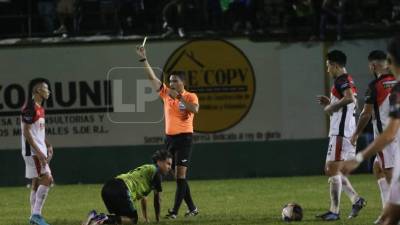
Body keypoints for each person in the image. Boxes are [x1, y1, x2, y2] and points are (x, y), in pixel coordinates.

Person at [136, 44, 200, 219]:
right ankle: (193, 208)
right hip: (169, 139)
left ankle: (174, 212)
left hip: (185, 139)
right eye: (170, 81)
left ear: (183, 83)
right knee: (177, 177)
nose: (171, 83)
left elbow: (195, 110)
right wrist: (143, 59)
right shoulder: (165, 94)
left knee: (180, 176)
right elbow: (151, 78)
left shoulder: (190, 96)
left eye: (175, 81)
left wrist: (179, 97)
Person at [342, 36, 400, 225]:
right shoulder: (396, 84)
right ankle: (385, 213)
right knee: (378, 168)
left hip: (389, 140)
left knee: (390, 177)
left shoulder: (374, 87)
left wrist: (356, 137)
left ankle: (390, 215)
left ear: (373, 66)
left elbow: (366, 115)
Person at [316, 50, 366, 221]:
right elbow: (354, 105)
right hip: (347, 132)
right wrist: (331, 102)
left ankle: (335, 211)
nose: (327, 70)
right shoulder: (348, 80)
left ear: (335, 65)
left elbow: (350, 99)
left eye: (328, 66)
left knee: (331, 169)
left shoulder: (342, 80)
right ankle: (356, 200)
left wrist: (332, 107)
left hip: (341, 133)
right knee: (335, 171)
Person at [84, 150, 172, 225]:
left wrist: (145, 218)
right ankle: (101, 218)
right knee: (133, 219)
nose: (170, 167)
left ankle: (94, 216)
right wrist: (157, 220)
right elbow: (158, 200)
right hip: (121, 188)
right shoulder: (156, 173)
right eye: (168, 163)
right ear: (159, 162)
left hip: (108, 187)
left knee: (122, 219)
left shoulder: (147, 171)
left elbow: (143, 198)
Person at [21, 79, 54, 225]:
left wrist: (47, 144)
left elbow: (37, 131)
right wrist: (40, 153)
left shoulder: (40, 107)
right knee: (47, 178)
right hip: (33, 152)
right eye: (46, 89)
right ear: (38, 91)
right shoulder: (30, 107)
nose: (48, 92)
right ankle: (36, 215)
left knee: (36, 182)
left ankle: (33, 218)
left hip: (38, 149)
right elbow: (26, 132)